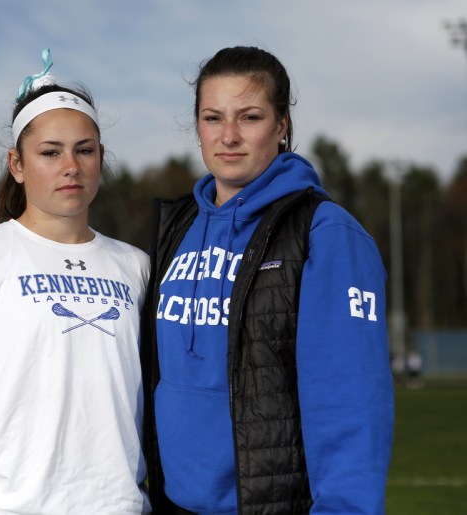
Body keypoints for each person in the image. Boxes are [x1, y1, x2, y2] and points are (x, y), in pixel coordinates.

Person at [140, 46, 394, 514]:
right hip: (172, 503)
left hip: (270, 503)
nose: (229, 136)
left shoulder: (323, 232)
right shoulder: (175, 228)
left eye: (250, 117)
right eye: (213, 118)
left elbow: (351, 401)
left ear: (281, 127)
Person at [0, 49, 151, 515]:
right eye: (50, 152)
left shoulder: (137, 267)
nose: (71, 166)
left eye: (85, 150)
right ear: (16, 164)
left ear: (101, 158)